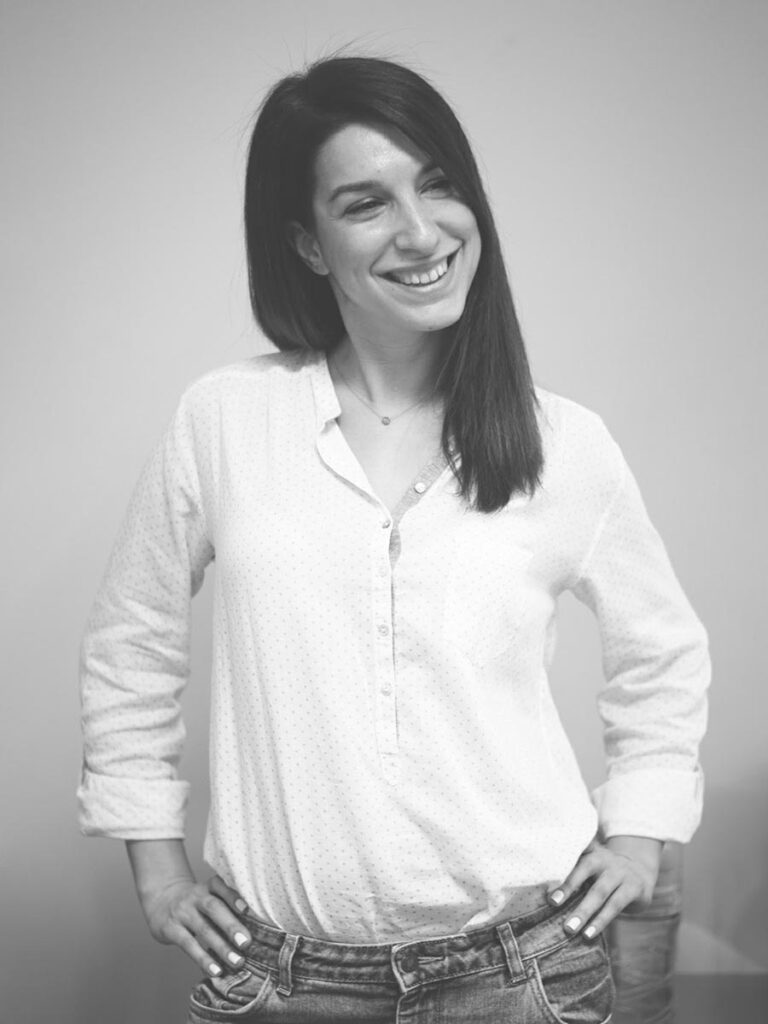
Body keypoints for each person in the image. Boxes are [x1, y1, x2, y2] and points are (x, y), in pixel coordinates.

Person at [78, 55, 710, 1024]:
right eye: (366, 203)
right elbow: (132, 643)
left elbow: (661, 654)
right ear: (309, 243)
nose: (421, 232)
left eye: (439, 184)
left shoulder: (564, 441)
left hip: (526, 974)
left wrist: (640, 832)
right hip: (282, 981)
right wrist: (158, 870)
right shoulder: (225, 419)